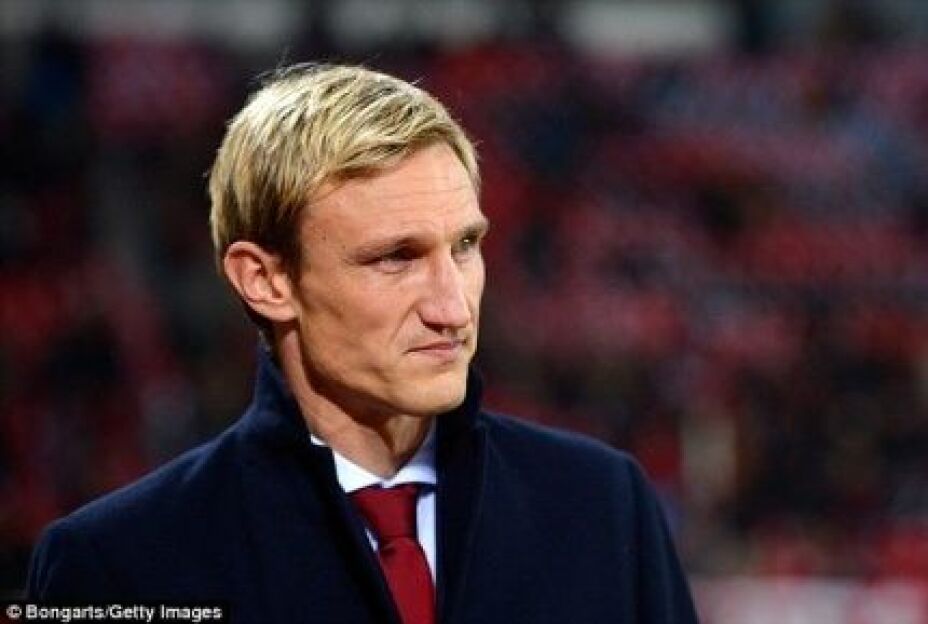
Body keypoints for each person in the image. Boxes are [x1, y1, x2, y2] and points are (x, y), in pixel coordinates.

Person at [27, 63, 698, 623]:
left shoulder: (602, 508)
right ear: (265, 281)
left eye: (465, 246)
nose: (452, 307)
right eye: (395, 258)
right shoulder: (118, 564)